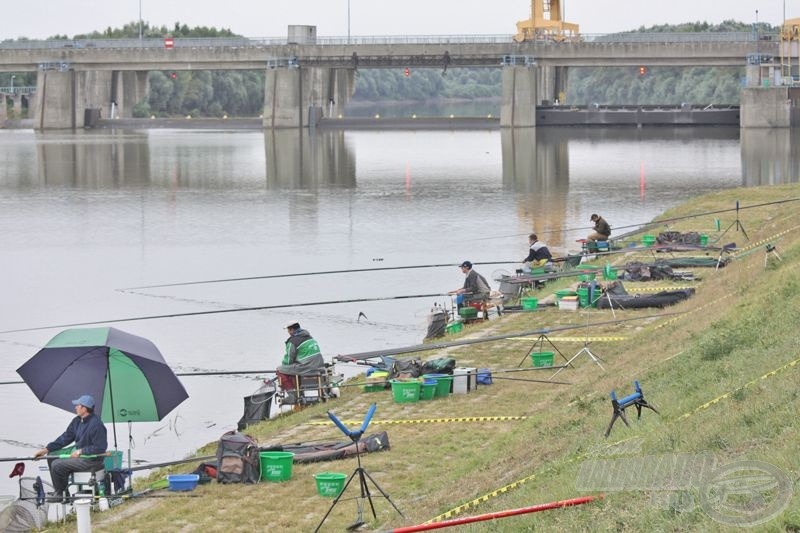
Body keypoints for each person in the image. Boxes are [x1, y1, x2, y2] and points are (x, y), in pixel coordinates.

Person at [33, 394, 107, 501]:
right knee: (51, 456)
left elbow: (100, 448)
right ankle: (61, 491)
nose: (75, 407)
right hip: (80, 456)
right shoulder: (77, 421)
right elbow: (65, 438)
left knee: (56, 465)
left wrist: (81, 451)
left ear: (84, 409)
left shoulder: (97, 425)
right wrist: (46, 449)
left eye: (78, 405)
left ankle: (60, 496)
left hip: (91, 460)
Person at [276, 321, 325, 401]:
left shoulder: (293, 341)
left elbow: (288, 360)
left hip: (307, 368)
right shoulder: (309, 337)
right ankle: (299, 393)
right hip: (319, 367)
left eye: (288, 330)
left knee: (279, 370)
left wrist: (283, 367)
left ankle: (293, 396)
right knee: (292, 368)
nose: (288, 332)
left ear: (291, 330)